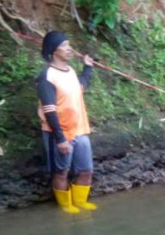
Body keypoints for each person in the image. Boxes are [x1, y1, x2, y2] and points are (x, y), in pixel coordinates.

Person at [37, 31, 96, 214]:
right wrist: (60, 139)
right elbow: (49, 110)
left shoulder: (70, 71)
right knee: (61, 172)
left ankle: (80, 202)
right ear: (53, 51)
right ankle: (66, 206)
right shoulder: (46, 76)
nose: (69, 49)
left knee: (86, 170)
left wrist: (87, 69)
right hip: (59, 133)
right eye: (64, 45)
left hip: (79, 130)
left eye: (69, 44)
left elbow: (80, 87)